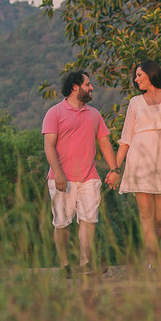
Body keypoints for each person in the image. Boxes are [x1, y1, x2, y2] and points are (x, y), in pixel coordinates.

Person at [107, 59, 161, 270]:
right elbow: (126, 139)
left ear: (151, 74)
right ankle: (152, 260)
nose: (136, 79)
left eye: (139, 75)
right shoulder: (134, 103)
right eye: (136, 76)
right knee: (146, 213)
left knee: (160, 218)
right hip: (139, 160)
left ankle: (159, 252)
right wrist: (115, 169)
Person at [42, 70, 119, 277]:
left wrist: (114, 170)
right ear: (75, 87)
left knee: (89, 219)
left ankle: (86, 263)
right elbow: (49, 146)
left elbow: (104, 142)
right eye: (88, 84)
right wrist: (58, 173)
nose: (91, 87)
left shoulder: (94, 114)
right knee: (62, 223)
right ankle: (65, 265)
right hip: (62, 178)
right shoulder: (55, 113)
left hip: (89, 176)